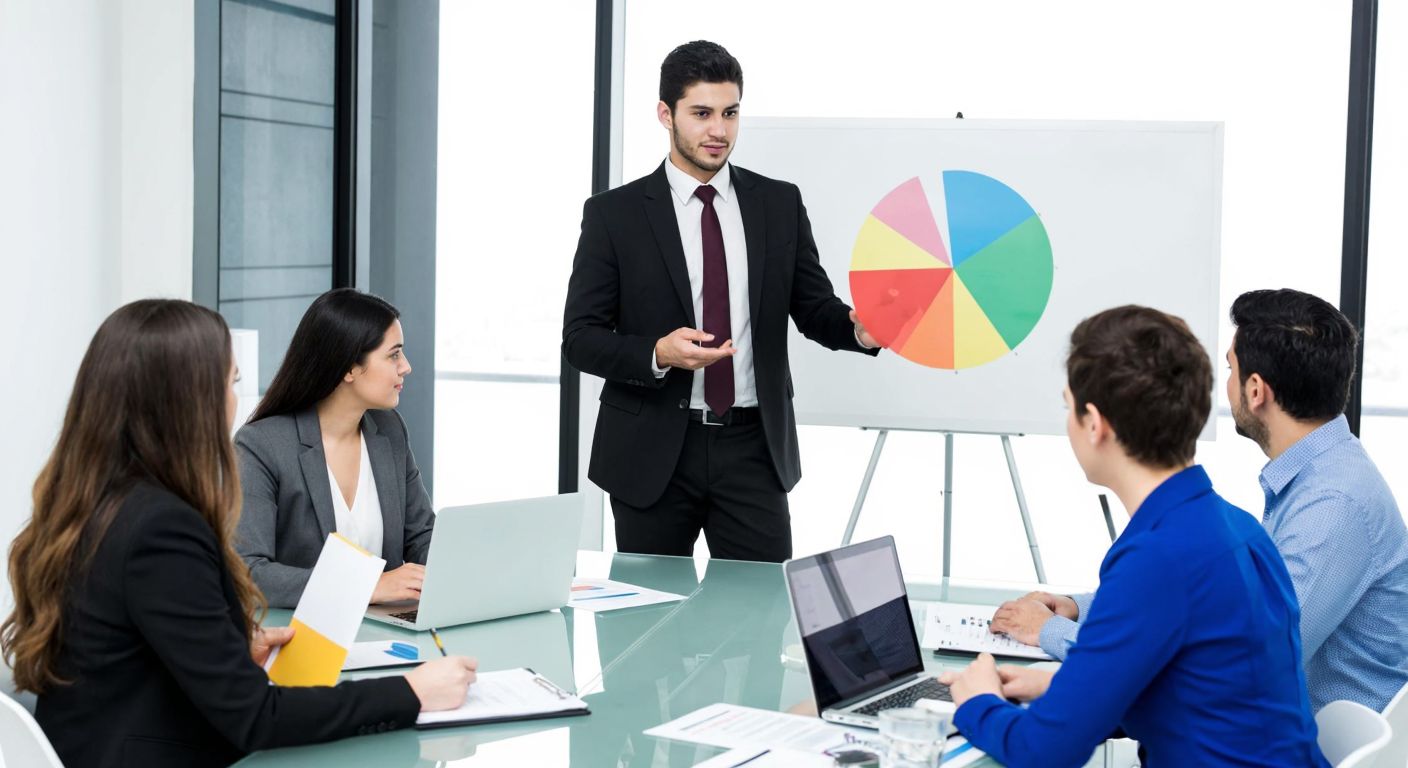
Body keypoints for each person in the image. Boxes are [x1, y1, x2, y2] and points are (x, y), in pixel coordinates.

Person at [0, 299, 477, 768]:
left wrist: (224, 643)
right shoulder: (163, 528)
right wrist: (411, 693)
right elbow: (255, 719)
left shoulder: (95, 502)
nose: (236, 400)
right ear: (188, 402)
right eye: (232, 383)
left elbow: (125, 645)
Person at [939, 306, 1326, 767]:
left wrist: (977, 700)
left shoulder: (1158, 558)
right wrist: (1069, 692)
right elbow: (1209, 695)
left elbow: (1044, 752)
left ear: (1095, 424)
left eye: (1069, 407)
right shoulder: (1237, 527)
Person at [990, 289, 1408, 713]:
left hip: (1326, 749)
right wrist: (1080, 609)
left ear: (1256, 390)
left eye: (1230, 369)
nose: (1224, 386)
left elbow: (1248, 662)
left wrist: (1053, 632)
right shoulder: (1322, 476)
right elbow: (1219, 607)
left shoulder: (1333, 503)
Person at [562, 40, 878, 563]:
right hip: (652, 449)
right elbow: (580, 339)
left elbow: (814, 307)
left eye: (730, 113)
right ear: (666, 114)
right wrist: (658, 353)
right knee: (648, 626)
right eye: (702, 113)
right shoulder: (613, 215)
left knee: (759, 619)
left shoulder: (778, 203)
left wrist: (857, 330)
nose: (719, 131)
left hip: (754, 446)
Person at [235, 288, 434, 608]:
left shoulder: (390, 430)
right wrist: (366, 586)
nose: (406, 366)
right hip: (303, 639)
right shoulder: (261, 446)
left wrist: (468, 567)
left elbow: (422, 538)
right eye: (394, 354)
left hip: (385, 631)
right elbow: (247, 573)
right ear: (349, 368)